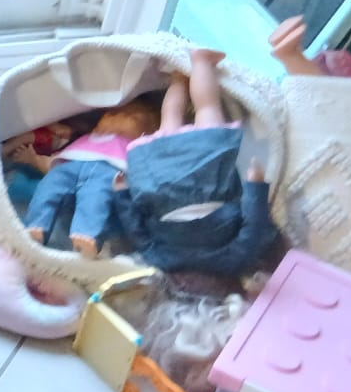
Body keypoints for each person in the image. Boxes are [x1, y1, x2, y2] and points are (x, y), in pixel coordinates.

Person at [110, 47, 280, 277]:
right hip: (160, 187)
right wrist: (122, 192)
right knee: (170, 122)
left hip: (204, 183)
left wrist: (256, 187)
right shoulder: (162, 262)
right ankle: (178, 78)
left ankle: (200, 62)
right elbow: (136, 231)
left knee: (206, 110)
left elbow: (254, 226)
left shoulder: (232, 263)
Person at [24, 96, 161, 257]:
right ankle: (36, 225)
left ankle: (87, 235)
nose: (113, 118)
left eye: (130, 116)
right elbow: (51, 162)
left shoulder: (134, 147)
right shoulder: (84, 138)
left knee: (96, 197)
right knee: (49, 186)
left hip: (107, 171)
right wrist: (33, 160)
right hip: (69, 166)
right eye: (111, 114)